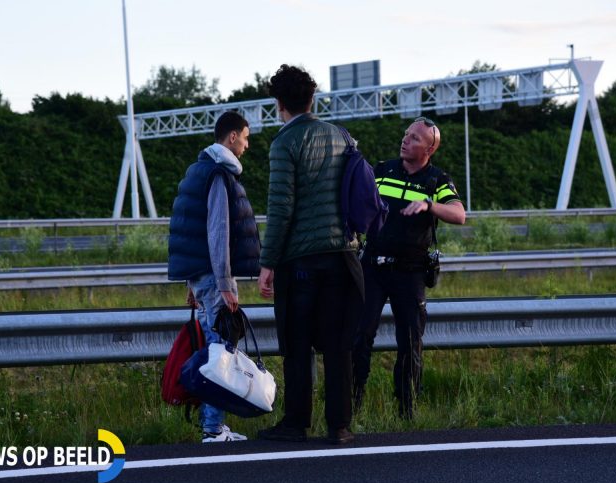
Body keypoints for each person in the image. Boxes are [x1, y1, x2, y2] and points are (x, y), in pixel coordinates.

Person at [257, 64, 364, 445]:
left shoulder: (285, 143)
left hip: (302, 261)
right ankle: (340, 426)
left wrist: (268, 262)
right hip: (344, 256)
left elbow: (281, 208)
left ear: (279, 104)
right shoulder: (341, 135)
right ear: (313, 99)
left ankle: (296, 422)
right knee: (338, 345)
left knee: (297, 343)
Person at [352, 117, 465, 419]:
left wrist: (429, 205)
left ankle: (406, 413)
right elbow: (356, 198)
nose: (406, 140)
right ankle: (350, 408)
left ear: (429, 149)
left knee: (410, 343)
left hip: (411, 271)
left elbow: (458, 214)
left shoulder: (436, 180)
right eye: (406, 135)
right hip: (372, 267)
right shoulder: (382, 170)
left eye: (415, 138)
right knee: (359, 337)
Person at [167, 111, 260, 442]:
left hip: (200, 276)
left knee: (213, 350)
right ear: (232, 137)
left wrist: (191, 283)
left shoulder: (197, 170)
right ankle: (212, 428)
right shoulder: (219, 174)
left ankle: (214, 426)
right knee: (219, 352)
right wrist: (224, 284)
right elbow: (217, 231)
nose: (247, 145)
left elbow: (187, 230)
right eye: (246, 138)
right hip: (214, 275)